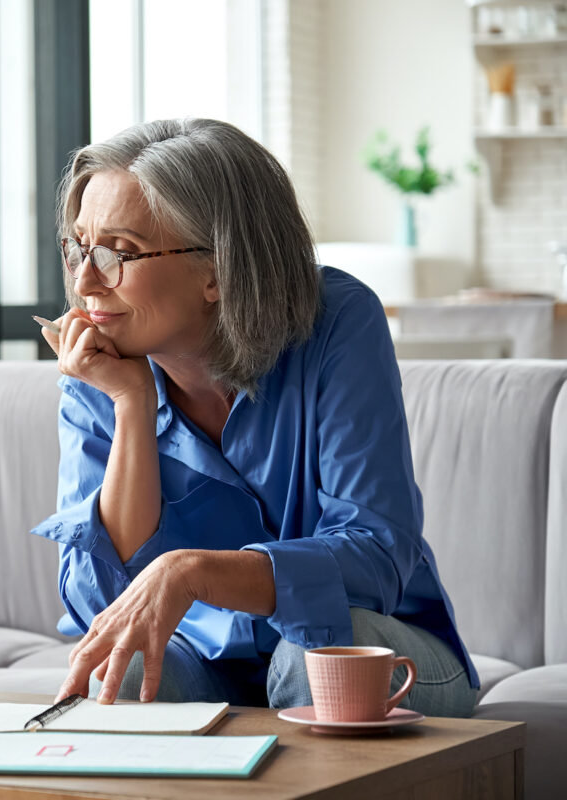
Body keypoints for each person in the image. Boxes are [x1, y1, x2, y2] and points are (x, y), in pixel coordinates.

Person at [30, 118, 478, 716]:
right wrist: (131, 406)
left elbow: (376, 556)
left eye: (119, 253)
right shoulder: (101, 366)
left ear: (218, 270)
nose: (85, 282)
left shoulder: (339, 322)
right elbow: (102, 604)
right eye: (78, 248)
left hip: (377, 647)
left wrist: (193, 572)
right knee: (128, 668)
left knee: (312, 656)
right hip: (207, 661)